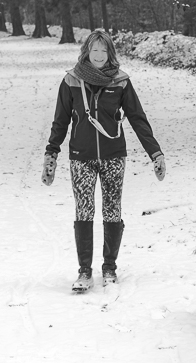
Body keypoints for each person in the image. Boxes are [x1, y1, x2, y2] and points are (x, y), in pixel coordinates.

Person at [42, 29, 166, 293]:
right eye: (94, 50)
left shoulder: (121, 81)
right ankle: (84, 271)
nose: (98, 55)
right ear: (86, 51)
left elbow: (137, 118)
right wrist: (51, 153)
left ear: (110, 53)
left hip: (113, 157)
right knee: (84, 211)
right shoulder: (71, 81)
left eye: (103, 50)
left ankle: (109, 267)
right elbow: (60, 121)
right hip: (81, 156)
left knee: (112, 210)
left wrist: (155, 152)